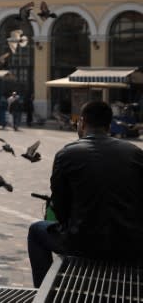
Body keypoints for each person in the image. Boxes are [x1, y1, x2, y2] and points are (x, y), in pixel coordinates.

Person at [27, 101, 143, 287]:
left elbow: (61, 209)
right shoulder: (135, 153)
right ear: (109, 124)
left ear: (81, 122)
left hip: (84, 244)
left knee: (36, 231)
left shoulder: (67, 154)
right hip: (131, 244)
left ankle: (43, 292)